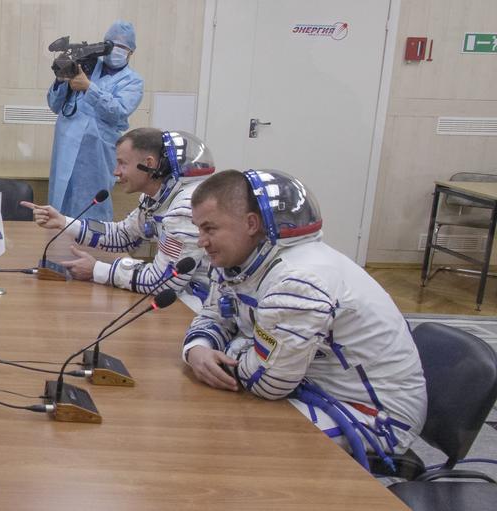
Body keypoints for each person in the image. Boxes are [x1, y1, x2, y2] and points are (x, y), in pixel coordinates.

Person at [182, 169, 426, 469]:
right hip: (313, 387)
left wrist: (234, 348)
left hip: (374, 415)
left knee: (230, 436)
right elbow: (214, 315)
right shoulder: (242, 260)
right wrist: (198, 348)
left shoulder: (299, 280)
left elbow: (267, 383)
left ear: (251, 224)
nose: (201, 241)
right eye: (199, 229)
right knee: (207, 420)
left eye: (209, 229)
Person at [21, 129, 214, 297]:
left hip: (194, 305)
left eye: (122, 163)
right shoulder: (160, 198)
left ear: (149, 163)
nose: (116, 172)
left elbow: (163, 281)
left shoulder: (185, 209)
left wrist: (97, 270)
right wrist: (63, 222)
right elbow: (123, 235)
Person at [47, 20, 143, 220]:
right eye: (112, 44)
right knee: (60, 200)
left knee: (91, 205)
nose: (116, 50)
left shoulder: (133, 81)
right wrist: (60, 80)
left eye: (122, 47)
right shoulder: (86, 66)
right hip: (66, 146)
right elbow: (55, 105)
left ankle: (94, 240)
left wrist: (88, 87)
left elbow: (118, 112)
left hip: (96, 151)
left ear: (131, 52)